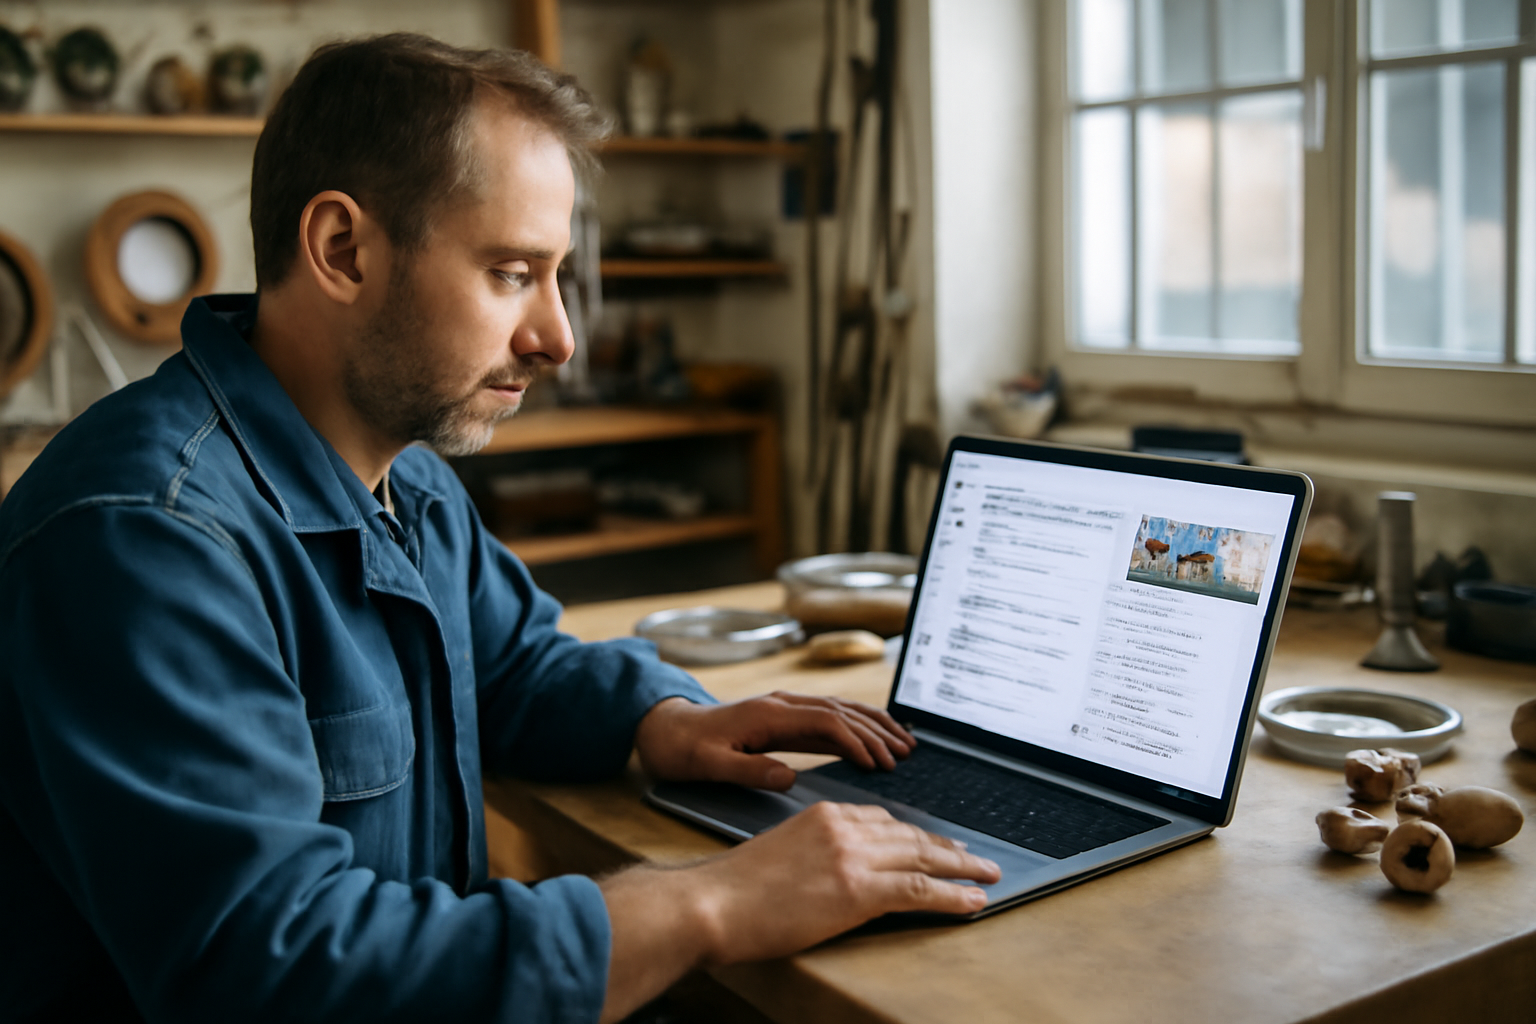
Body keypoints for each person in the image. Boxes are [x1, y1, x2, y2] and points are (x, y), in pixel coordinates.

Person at [0, 34, 998, 1023]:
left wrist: (665, 720)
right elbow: (276, 971)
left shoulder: (410, 481)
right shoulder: (144, 540)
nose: (559, 337)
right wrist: (708, 901)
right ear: (343, 249)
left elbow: (513, 664)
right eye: (513, 272)